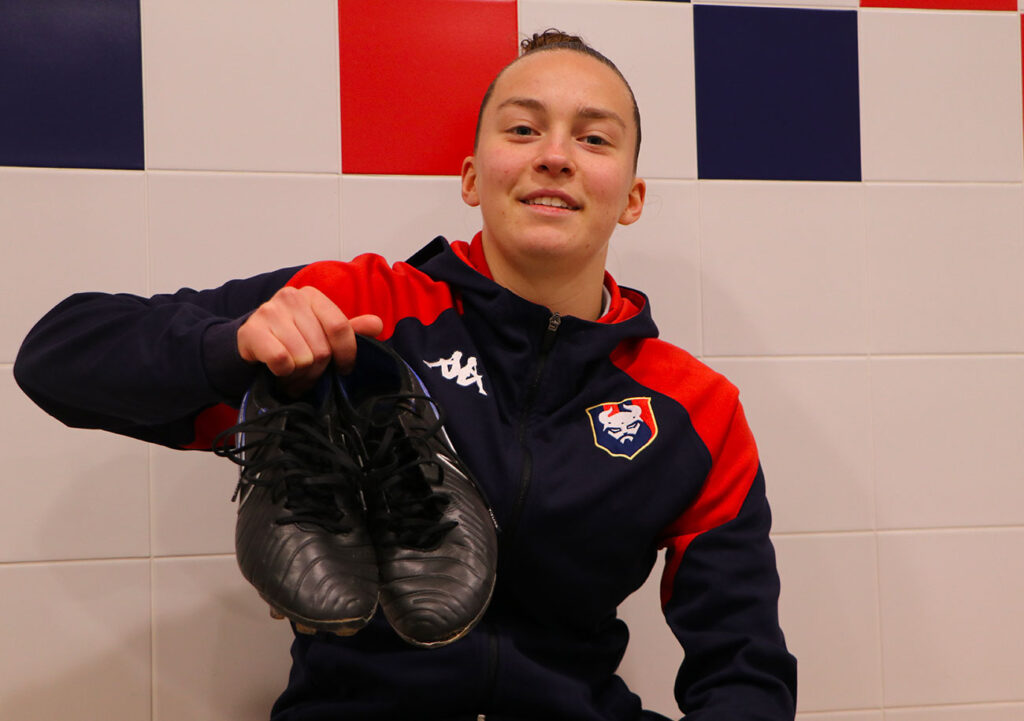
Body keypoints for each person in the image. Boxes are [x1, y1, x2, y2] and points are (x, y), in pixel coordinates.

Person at [14, 30, 797, 721]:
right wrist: (235, 347)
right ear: (470, 178)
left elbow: (743, 664)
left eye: (593, 139)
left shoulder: (695, 407)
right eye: (522, 129)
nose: (554, 154)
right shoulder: (360, 308)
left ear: (630, 198)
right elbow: (56, 356)